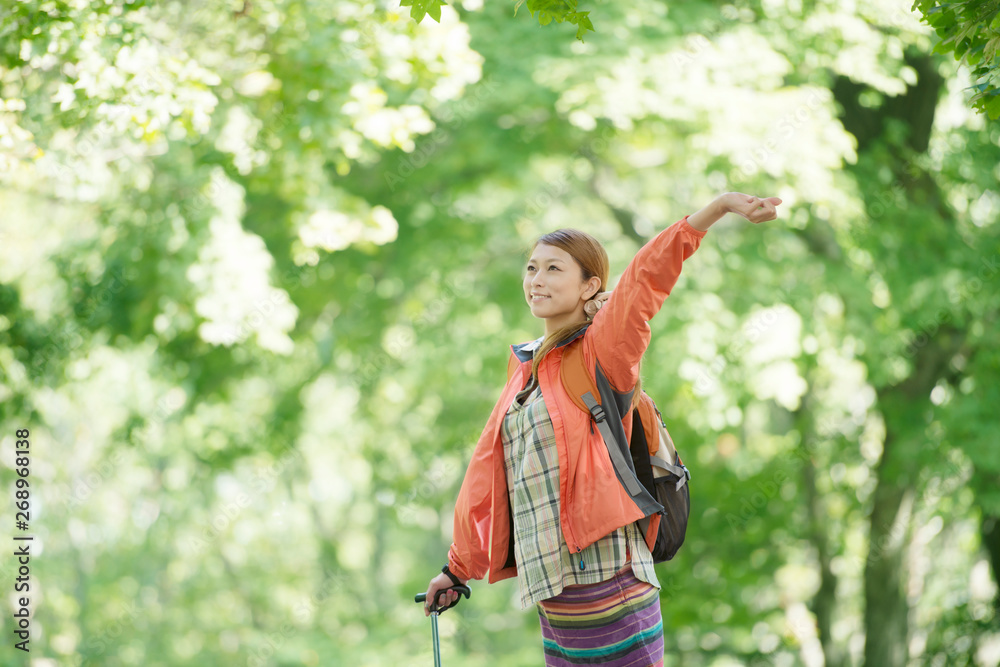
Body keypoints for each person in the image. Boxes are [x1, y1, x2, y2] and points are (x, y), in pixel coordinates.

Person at [423, 193, 782, 666]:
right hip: (555, 597)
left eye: (554, 269)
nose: (536, 279)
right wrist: (458, 569)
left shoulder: (602, 352)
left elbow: (643, 281)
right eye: (532, 268)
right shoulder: (525, 374)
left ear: (591, 286)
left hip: (610, 583)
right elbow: (486, 477)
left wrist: (714, 210)